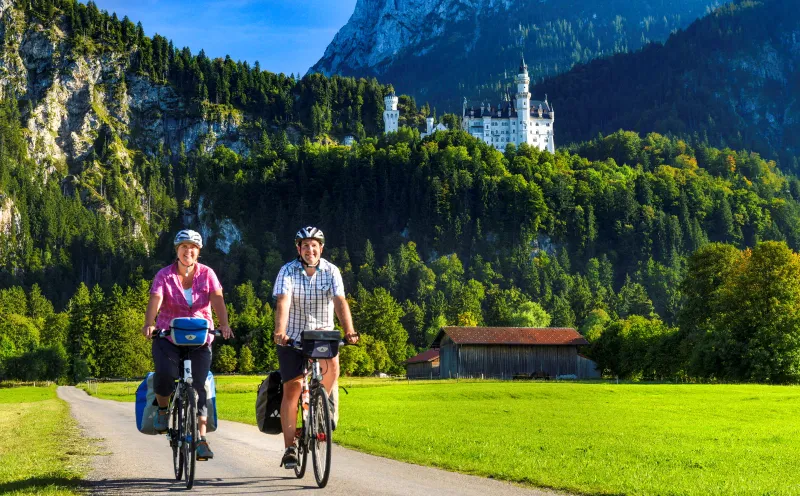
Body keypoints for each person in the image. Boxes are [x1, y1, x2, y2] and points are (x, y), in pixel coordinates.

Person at [141, 229, 233, 461]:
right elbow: (156, 298)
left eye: (192, 247)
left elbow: (218, 299)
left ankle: (201, 439)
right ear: (177, 250)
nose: (188, 251)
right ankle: (163, 410)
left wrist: (224, 324)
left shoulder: (208, 274)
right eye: (184, 247)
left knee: (199, 386)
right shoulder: (164, 275)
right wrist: (149, 323)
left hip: (200, 338)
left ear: (198, 251)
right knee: (165, 373)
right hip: (168, 336)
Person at [273, 226, 358, 468]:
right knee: (293, 388)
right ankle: (290, 448)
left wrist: (349, 330)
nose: (310, 249)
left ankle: (321, 406)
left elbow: (340, 301)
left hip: (322, 334)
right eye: (305, 245)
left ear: (321, 248)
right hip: (293, 337)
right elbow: (283, 302)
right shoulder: (287, 271)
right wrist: (280, 332)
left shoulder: (331, 271)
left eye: (314, 245)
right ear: (298, 249)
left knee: (333, 368)